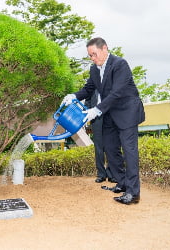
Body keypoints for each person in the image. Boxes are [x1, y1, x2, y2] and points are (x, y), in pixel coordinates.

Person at [62, 37, 145, 205]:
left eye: (94, 54)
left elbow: (117, 93)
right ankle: (122, 183)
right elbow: (88, 89)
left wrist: (96, 110)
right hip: (109, 114)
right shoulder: (94, 69)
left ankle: (133, 193)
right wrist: (73, 96)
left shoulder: (120, 64)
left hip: (127, 112)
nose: (93, 58)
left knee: (129, 152)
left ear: (105, 48)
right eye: (90, 56)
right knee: (110, 148)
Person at [85, 90, 116, 184]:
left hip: (110, 116)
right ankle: (101, 174)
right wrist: (88, 114)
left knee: (111, 147)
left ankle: (112, 175)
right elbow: (88, 101)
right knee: (98, 147)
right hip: (96, 118)